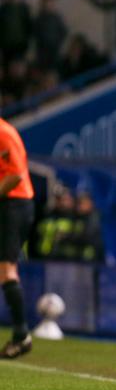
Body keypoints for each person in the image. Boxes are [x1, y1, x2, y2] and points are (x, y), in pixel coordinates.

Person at [0, 117, 35, 358]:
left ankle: (22, 335)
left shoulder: (3, 132)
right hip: (9, 204)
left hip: (14, 205)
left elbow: (15, 175)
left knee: (7, 269)